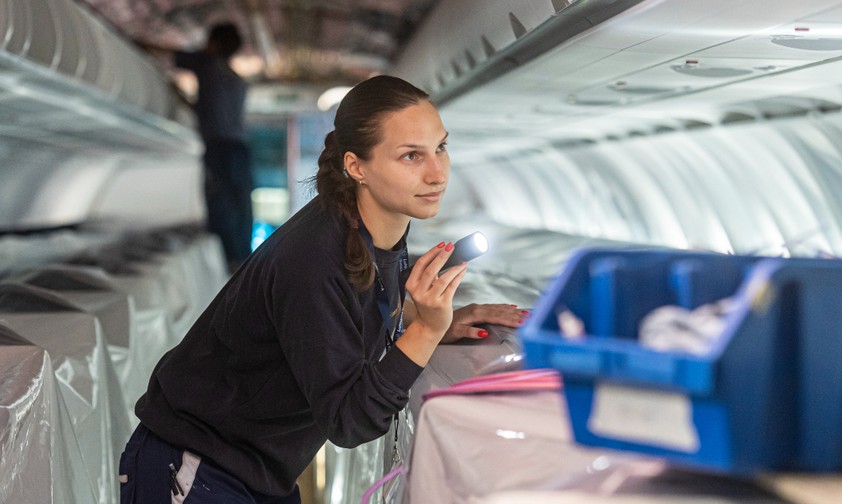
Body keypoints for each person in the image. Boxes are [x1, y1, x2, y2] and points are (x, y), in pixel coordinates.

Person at [118, 75, 527, 503]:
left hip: (254, 470)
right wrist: (424, 331)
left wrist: (438, 322)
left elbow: (358, 308)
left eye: (440, 147)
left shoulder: (374, 229)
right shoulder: (313, 257)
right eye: (411, 156)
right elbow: (350, 421)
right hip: (196, 466)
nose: (436, 172)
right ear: (356, 167)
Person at [142, 23, 254, 271]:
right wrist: (182, 97)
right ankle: (239, 261)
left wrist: (136, 41)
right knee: (239, 208)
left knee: (219, 203)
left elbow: (165, 54)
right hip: (240, 149)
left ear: (214, 44)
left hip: (219, 149)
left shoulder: (206, 64)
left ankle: (227, 263)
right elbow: (212, 109)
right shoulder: (236, 80)